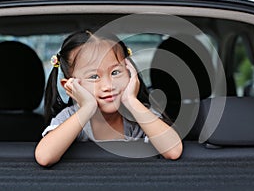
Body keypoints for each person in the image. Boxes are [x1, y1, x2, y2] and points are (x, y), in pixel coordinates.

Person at [35, 29, 183, 167]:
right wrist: (87, 108)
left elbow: (173, 151)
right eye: (93, 76)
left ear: (130, 72)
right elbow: (44, 157)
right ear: (70, 85)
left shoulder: (139, 114)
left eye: (115, 73)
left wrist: (131, 101)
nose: (108, 85)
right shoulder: (70, 117)